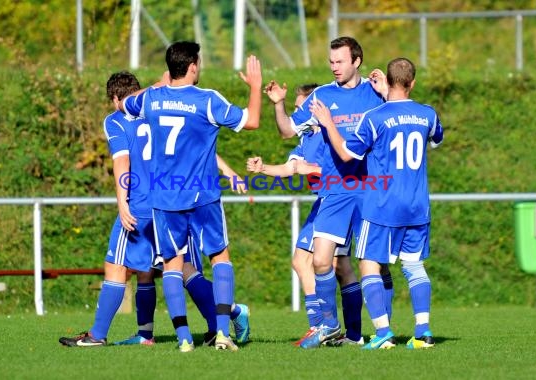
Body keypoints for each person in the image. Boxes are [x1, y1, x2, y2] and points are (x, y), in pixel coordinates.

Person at [58, 71, 251, 349]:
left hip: (140, 205)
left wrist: (122, 203)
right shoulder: (156, 108)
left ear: (115, 99)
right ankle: (195, 325)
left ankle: (98, 335)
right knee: (177, 271)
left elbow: (122, 164)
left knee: (117, 267)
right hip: (174, 201)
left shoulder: (116, 120)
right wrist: (228, 171)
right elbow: (193, 147)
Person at [121, 41, 261, 352]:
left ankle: (184, 339)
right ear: (194, 67)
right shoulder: (207, 100)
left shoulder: (153, 100)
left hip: (164, 198)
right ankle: (222, 334)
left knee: (172, 264)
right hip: (203, 196)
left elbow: (125, 104)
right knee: (219, 258)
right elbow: (251, 121)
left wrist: (161, 83)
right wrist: (255, 86)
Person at [310, 57, 444, 349]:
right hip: (417, 205)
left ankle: (383, 333)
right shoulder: (428, 114)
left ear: (388, 80)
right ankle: (423, 332)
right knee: (414, 267)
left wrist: (328, 123)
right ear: (412, 83)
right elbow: (435, 139)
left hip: (383, 204)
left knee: (369, 265)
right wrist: (390, 94)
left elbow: (346, 154)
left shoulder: (374, 117)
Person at [265, 36, 390, 349]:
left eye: (340, 61)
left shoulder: (373, 95)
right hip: (335, 191)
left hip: (370, 189)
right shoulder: (321, 95)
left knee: (375, 263)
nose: (334, 67)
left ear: (356, 61)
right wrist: (279, 105)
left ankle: (374, 333)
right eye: (331, 61)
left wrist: (387, 93)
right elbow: (286, 131)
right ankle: (330, 326)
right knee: (321, 262)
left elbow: (396, 123)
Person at [247, 83, 367, 347]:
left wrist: (309, 168)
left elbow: (340, 169)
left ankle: (338, 331)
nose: (300, 112)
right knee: (308, 262)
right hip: (323, 203)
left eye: (305, 107)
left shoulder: (328, 135)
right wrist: (263, 168)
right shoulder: (306, 139)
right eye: (299, 107)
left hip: (337, 199)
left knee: (338, 266)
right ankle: (326, 328)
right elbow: (291, 167)